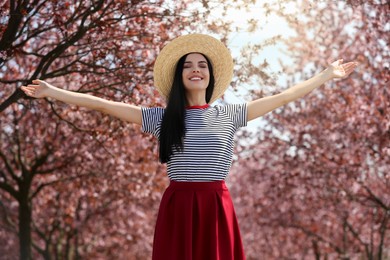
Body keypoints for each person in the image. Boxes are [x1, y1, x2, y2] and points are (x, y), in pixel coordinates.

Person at [21, 34, 357, 259]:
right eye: (188, 65)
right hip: (178, 205)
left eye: (201, 66)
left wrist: (326, 75)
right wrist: (54, 92)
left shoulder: (230, 114)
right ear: (180, 76)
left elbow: (284, 97)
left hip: (215, 204)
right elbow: (104, 105)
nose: (195, 70)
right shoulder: (161, 118)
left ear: (210, 75)